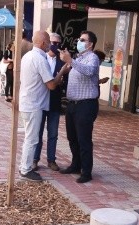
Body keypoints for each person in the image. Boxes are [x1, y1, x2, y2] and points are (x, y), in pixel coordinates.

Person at [17, 30, 69, 182]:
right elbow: (52, 85)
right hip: (34, 105)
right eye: (48, 42)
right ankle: (25, 169)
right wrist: (62, 72)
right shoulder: (39, 59)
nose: (50, 46)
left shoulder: (28, 56)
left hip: (30, 103)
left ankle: (26, 166)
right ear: (42, 43)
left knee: (31, 137)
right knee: (32, 139)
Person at [58, 30, 101, 183]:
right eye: (79, 39)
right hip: (72, 104)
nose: (79, 42)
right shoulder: (78, 58)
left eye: (83, 40)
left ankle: (86, 171)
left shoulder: (93, 58)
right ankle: (76, 164)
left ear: (90, 44)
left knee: (84, 139)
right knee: (72, 137)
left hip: (85, 105)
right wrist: (70, 63)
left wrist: (71, 61)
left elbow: (89, 72)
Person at [33, 32, 66, 172]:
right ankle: (35, 159)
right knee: (37, 133)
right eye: (51, 42)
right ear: (45, 43)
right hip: (40, 102)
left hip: (54, 102)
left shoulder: (63, 62)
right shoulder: (40, 58)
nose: (53, 46)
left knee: (53, 133)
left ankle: (51, 160)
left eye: (57, 43)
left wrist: (63, 81)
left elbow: (65, 83)